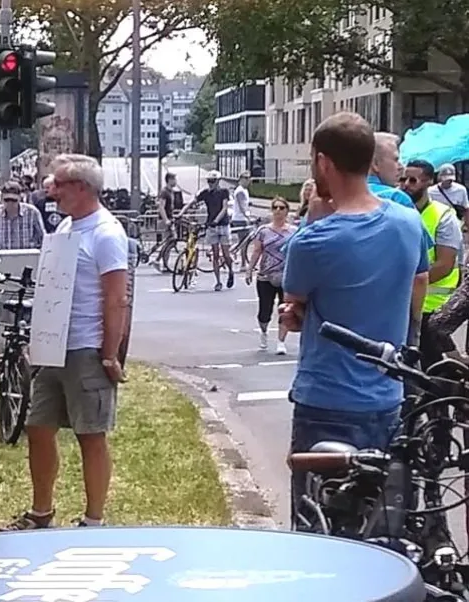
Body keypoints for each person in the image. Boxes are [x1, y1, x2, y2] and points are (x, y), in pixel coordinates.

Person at [279, 112, 428, 528]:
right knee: (382, 524)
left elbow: (293, 309)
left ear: (323, 162)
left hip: (327, 401)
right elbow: (417, 281)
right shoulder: (408, 223)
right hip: (388, 399)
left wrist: (313, 220)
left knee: (318, 528)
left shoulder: (314, 240)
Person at [0, 154, 128, 530]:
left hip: (86, 348)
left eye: (58, 185)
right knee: (38, 428)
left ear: (82, 188)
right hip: (53, 347)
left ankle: (93, 520)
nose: (50, 191)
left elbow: (116, 298)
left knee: (91, 434)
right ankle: (41, 512)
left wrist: (109, 354)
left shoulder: (106, 233)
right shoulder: (67, 227)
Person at [400, 160, 462, 368]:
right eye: (403, 179)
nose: (405, 185)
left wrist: (406, 285)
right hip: (402, 304)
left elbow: (445, 264)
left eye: (413, 180)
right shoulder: (396, 211)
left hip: (432, 306)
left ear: (428, 182)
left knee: (431, 368)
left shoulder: (443, 216)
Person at [245, 197, 296, 355]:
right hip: (266, 275)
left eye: (282, 208)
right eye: (275, 208)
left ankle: (281, 341)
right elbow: (257, 251)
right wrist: (249, 269)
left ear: (287, 211)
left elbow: (298, 252)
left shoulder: (293, 231)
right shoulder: (263, 231)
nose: (278, 211)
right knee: (264, 310)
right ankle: (264, 331)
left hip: (286, 275)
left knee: (285, 309)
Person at [180, 170, 234, 291]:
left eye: (213, 181)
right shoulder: (205, 193)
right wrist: (181, 213)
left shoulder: (224, 192)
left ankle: (230, 271)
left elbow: (224, 208)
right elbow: (192, 202)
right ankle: (218, 281)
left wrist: (216, 220)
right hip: (211, 227)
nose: (210, 183)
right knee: (215, 254)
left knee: (226, 254)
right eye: (209, 181)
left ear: (218, 181)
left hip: (223, 225)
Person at [0, 181, 45, 250]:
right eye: (7, 200)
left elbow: (42, 237)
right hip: (3, 255)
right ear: (1, 199)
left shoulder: (32, 212)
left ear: (19, 198)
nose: (10, 203)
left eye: (13, 200)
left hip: (28, 255)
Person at [367, 132, 416, 209]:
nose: (400, 167)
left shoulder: (347, 194)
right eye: (396, 160)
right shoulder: (396, 198)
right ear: (375, 164)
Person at [157, 172, 185, 241]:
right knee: (167, 240)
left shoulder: (171, 191)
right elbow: (161, 207)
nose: (176, 181)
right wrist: (166, 220)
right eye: (174, 179)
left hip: (170, 219)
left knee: (173, 239)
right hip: (164, 220)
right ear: (169, 180)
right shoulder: (164, 192)